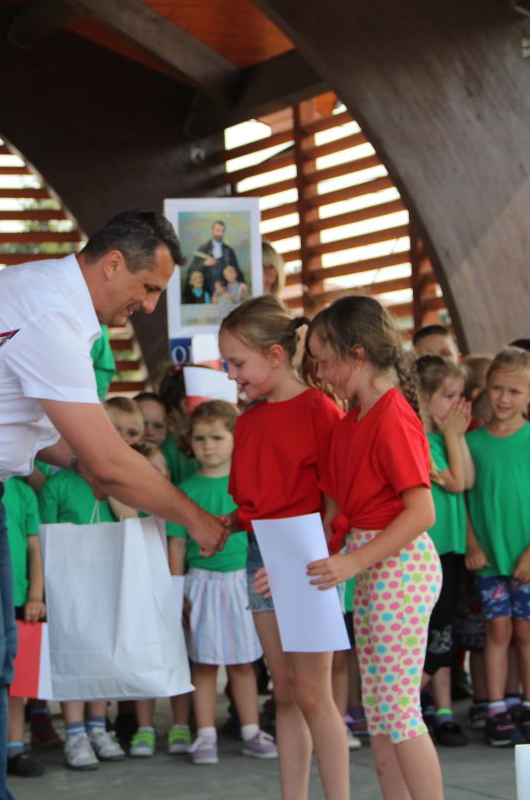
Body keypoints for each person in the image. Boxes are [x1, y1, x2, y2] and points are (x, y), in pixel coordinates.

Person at [0, 210, 227, 798]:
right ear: (113, 263)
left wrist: (87, 466)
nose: (150, 305)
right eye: (148, 287)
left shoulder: (49, 298)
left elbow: (43, 434)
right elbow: (107, 460)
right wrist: (195, 518)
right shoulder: (50, 310)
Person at [304, 295, 444, 800]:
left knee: (398, 712)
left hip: (398, 567)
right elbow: (338, 513)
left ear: (357, 353)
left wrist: (354, 561)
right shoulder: (355, 419)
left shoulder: (391, 416)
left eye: (324, 360)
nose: (320, 373)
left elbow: (422, 512)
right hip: (374, 565)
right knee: (382, 713)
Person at [217, 297, 349, 800]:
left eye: (238, 363)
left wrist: (300, 566)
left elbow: (335, 504)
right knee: (287, 691)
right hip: (261, 554)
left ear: (275, 355)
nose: (232, 375)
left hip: (310, 558)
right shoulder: (248, 421)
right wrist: (226, 523)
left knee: (314, 693)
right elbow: (254, 503)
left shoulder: (320, 410)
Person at [464, 347, 530, 747]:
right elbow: (463, 500)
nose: (503, 398)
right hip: (488, 558)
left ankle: (529, 704)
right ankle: (495, 708)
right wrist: (472, 543)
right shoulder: (472, 442)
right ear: (485, 389)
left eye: (513, 391)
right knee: (497, 629)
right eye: (497, 388)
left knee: (526, 630)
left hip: (529, 557)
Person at [167, 401, 274, 765]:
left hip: (243, 582)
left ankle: (251, 730)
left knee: (244, 663)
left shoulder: (248, 485)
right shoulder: (183, 490)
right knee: (203, 663)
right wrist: (176, 591)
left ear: (235, 439)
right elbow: (177, 543)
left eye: (216, 437)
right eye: (200, 438)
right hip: (201, 583)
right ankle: (205, 734)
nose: (208, 446)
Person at [36, 446, 126, 771]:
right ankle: (75, 733)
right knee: (72, 655)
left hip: (106, 581)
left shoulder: (115, 483)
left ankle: (98, 727)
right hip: (67, 586)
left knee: (102, 653)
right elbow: (44, 538)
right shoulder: (55, 486)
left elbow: (130, 520)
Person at [415, 355, 474, 747]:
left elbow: (468, 479)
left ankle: (443, 709)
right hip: (428, 550)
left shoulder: (444, 438)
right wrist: (453, 436)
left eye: (460, 395)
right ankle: (407, 700)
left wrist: (455, 436)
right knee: (430, 632)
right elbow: (453, 482)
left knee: (444, 630)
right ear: (423, 397)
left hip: (451, 547)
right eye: (448, 396)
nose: (457, 405)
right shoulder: (421, 440)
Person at [3, 476, 47, 778]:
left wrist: (35, 594)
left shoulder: (22, 492)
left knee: (15, 681)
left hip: (18, 598)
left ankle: (14, 746)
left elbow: (34, 546)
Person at [196, 219, 243, 289]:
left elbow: (236, 270)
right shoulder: (203, 249)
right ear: (212, 231)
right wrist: (204, 264)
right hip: (206, 289)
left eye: (222, 231)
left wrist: (242, 284)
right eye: (217, 230)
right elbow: (192, 270)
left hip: (225, 289)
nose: (220, 234)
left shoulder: (229, 251)